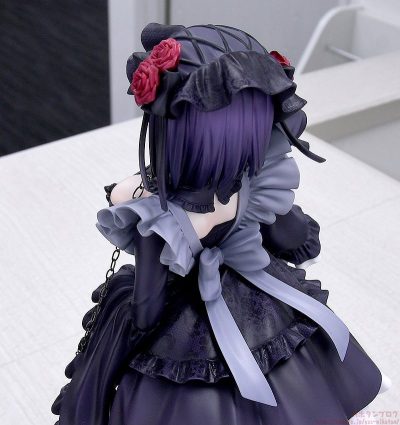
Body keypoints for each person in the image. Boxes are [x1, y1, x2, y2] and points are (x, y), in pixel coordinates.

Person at [51, 23, 390, 425]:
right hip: (258, 298)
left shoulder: (161, 220)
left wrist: (119, 322)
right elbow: (289, 232)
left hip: (185, 324)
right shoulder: (257, 183)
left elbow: (147, 310)